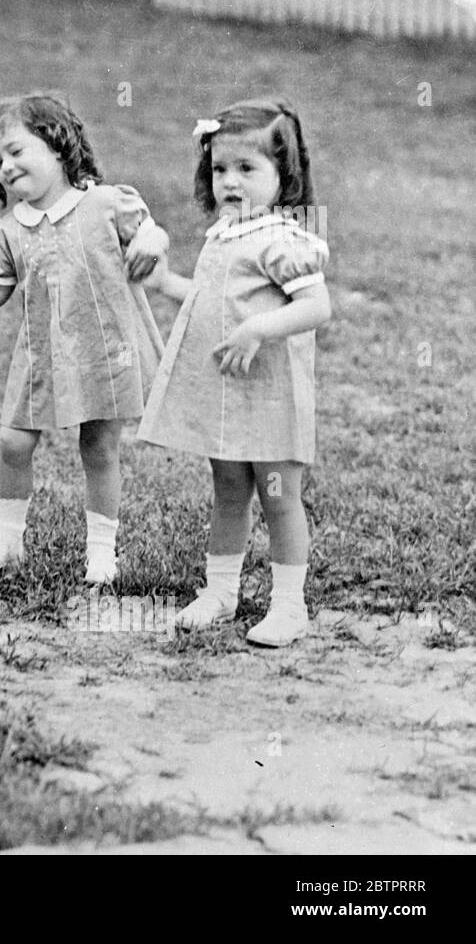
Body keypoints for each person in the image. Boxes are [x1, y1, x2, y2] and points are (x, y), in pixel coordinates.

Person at [0, 93, 167, 582]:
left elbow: (152, 233)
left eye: (17, 152)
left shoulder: (106, 204)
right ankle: (7, 538)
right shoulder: (7, 230)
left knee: (99, 447)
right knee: (12, 440)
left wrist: (152, 240)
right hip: (40, 354)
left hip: (102, 349)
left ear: (59, 146)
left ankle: (102, 551)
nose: (5, 167)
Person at [138, 98, 331, 646]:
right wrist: (162, 282)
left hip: (271, 397)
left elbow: (317, 307)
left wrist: (260, 328)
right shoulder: (222, 236)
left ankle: (289, 606)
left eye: (247, 169)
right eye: (220, 169)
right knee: (227, 489)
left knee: (278, 495)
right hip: (229, 396)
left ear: (283, 175)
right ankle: (220, 591)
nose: (231, 181)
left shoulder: (283, 240)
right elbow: (205, 299)